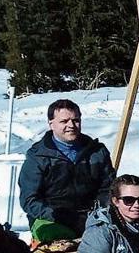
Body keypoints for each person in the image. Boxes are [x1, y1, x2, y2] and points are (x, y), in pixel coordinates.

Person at [18, 99, 115, 243]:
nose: (71, 125)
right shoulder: (38, 156)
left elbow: (108, 187)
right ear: (51, 124)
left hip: (90, 216)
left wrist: (100, 211)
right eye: (64, 121)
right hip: (52, 218)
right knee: (54, 237)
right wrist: (56, 215)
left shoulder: (96, 151)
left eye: (76, 120)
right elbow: (29, 199)